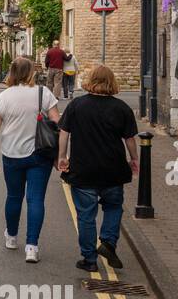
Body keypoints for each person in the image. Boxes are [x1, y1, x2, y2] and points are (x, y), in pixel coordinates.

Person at [57, 64, 138, 273]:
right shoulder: (121, 108)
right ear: (112, 82)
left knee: (86, 215)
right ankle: (109, 243)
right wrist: (134, 159)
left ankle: (89, 259)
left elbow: (64, 133)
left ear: (90, 81)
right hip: (113, 170)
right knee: (113, 207)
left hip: (84, 170)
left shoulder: (77, 105)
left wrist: (62, 157)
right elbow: (129, 138)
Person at [0, 56, 60, 264]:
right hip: (40, 154)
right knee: (35, 200)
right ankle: (32, 247)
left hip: (11, 154)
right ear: (31, 73)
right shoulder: (43, 93)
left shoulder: (4, 96)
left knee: (14, 197)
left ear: (11, 72)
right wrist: (59, 156)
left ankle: (11, 237)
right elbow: (58, 125)